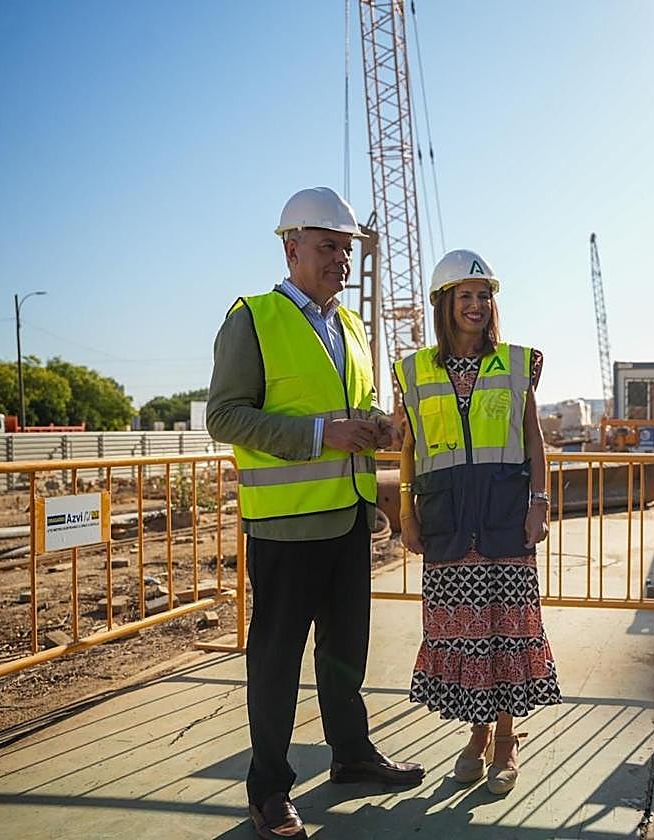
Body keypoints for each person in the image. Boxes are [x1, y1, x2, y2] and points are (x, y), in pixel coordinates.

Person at [208, 187, 424, 840]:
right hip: (286, 526)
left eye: (348, 248)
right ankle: (269, 790)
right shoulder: (253, 318)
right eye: (330, 246)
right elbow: (225, 416)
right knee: (276, 663)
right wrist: (317, 436)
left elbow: (349, 411)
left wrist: (379, 427)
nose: (342, 259)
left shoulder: (351, 328)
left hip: (348, 521)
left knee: (343, 656)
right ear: (291, 246)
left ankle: (351, 755)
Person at [395, 249, 561, 796]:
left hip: (504, 520)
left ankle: (508, 739)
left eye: (484, 296)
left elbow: (533, 439)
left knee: (506, 632)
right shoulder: (414, 371)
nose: (476, 305)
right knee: (466, 636)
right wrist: (405, 512)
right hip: (446, 523)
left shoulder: (516, 363)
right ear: (444, 304)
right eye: (464, 296)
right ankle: (477, 734)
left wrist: (541, 501)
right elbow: (410, 447)